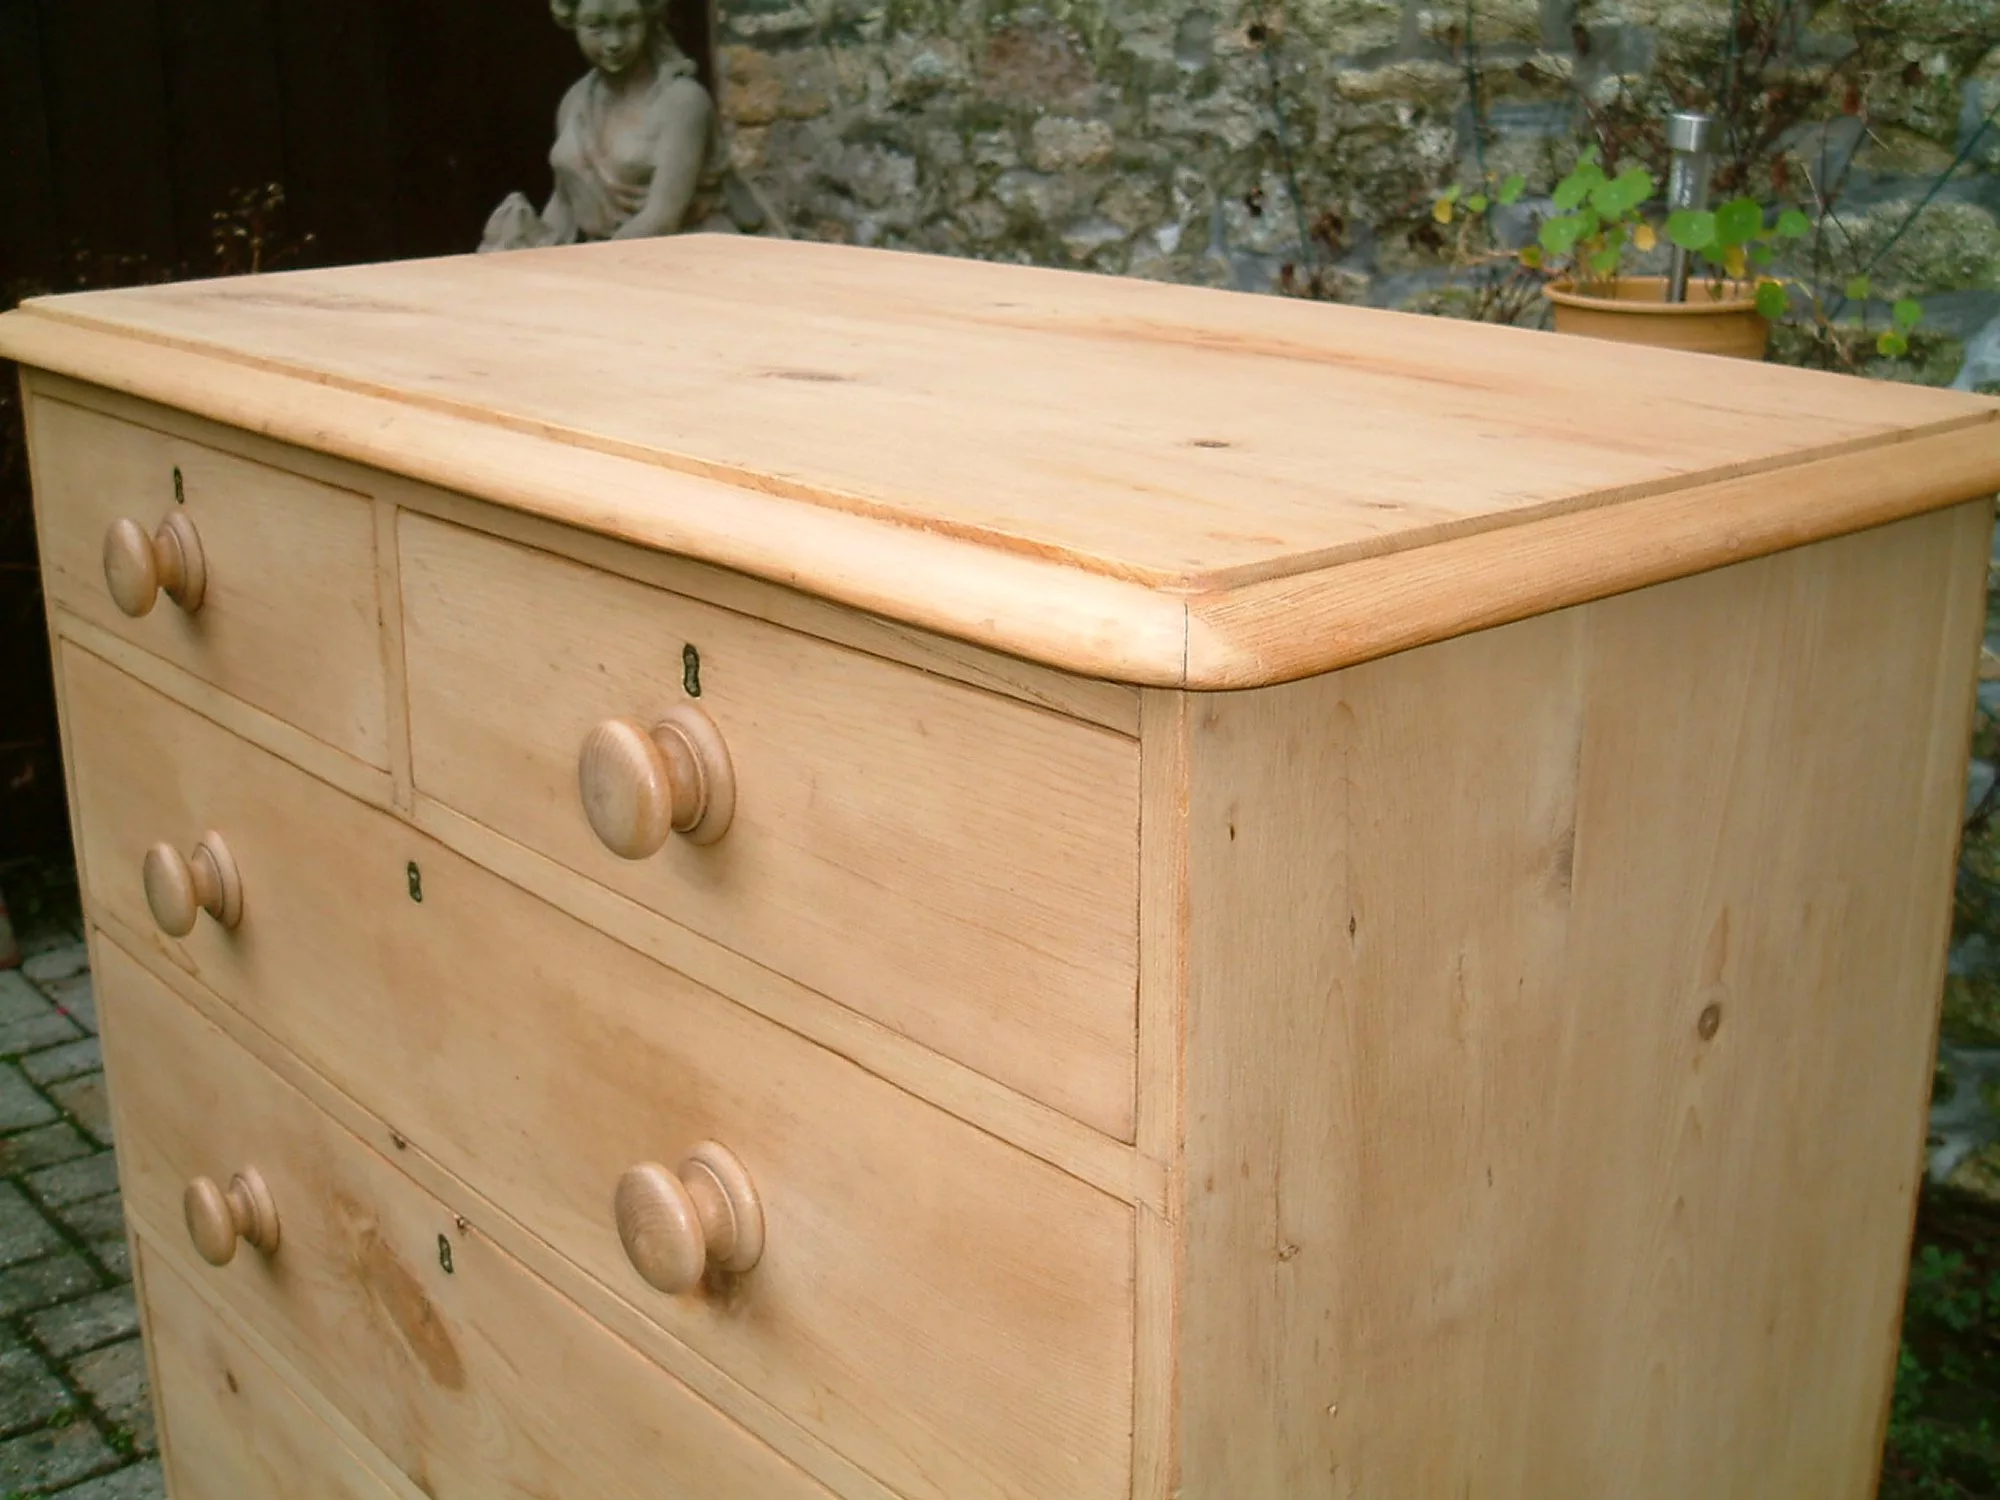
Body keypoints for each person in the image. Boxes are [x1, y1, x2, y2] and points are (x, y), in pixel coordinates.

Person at [481, 0, 720, 251]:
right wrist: (537, 240)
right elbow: (566, 200)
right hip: (602, 258)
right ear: (573, 23)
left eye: (627, 23)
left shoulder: (682, 102)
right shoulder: (575, 101)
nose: (614, 42)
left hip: (671, 257)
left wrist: (586, 267)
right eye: (596, 26)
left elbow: (661, 219)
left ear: (648, 20)